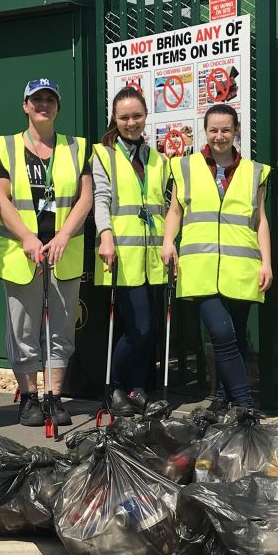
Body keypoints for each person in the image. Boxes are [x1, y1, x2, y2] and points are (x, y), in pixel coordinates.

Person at [0, 79, 93, 427]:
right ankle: (30, 398)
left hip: (63, 251)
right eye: (36, 99)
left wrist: (64, 234)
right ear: (25, 106)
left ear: (58, 107)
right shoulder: (4, 146)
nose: (43, 105)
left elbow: (86, 197)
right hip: (22, 253)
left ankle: (54, 396)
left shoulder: (77, 147)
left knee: (61, 328)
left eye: (50, 99)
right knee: (23, 329)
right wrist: (28, 238)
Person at [161, 104, 272, 411]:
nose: (219, 136)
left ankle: (223, 399)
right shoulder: (185, 167)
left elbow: (260, 220)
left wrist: (267, 262)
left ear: (236, 131)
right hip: (201, 268)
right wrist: (168, 241)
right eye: (213, 130)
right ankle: (246, 405)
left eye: (225, 129)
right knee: (221, 333)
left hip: (242, 268)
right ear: (205, 132)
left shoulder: (254, 172)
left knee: (234, 337)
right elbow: (175, 210)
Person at [93, 86, 169, 416]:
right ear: (115, 118)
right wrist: (105, 236)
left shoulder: (158, 158)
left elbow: (167, 206)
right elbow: (101, 200)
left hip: (153, 257)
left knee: (148, 328)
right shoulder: (104, 154)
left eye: (137, 116)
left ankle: (138, 390)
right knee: (138, 328)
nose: (131, 122)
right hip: (121, 255)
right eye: (124, 117)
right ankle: (114, 387)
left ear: (145, 117)